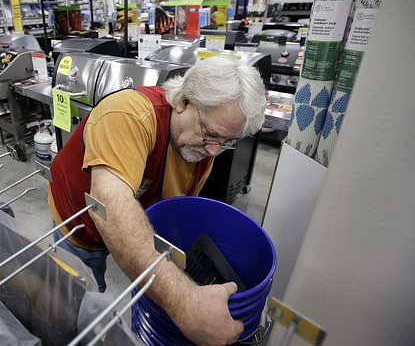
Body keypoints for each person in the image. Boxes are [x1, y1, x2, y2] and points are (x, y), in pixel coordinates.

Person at [48, 56, 266, 345]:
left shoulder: (201, 145)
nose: (214, 151)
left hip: (132, 217)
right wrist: (186, 303)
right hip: (79, 221)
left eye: (226, 142)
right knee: (82, 300)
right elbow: (108, 205)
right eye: (211, 134)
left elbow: (176, 207)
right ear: (184, 101)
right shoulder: (128, 115)